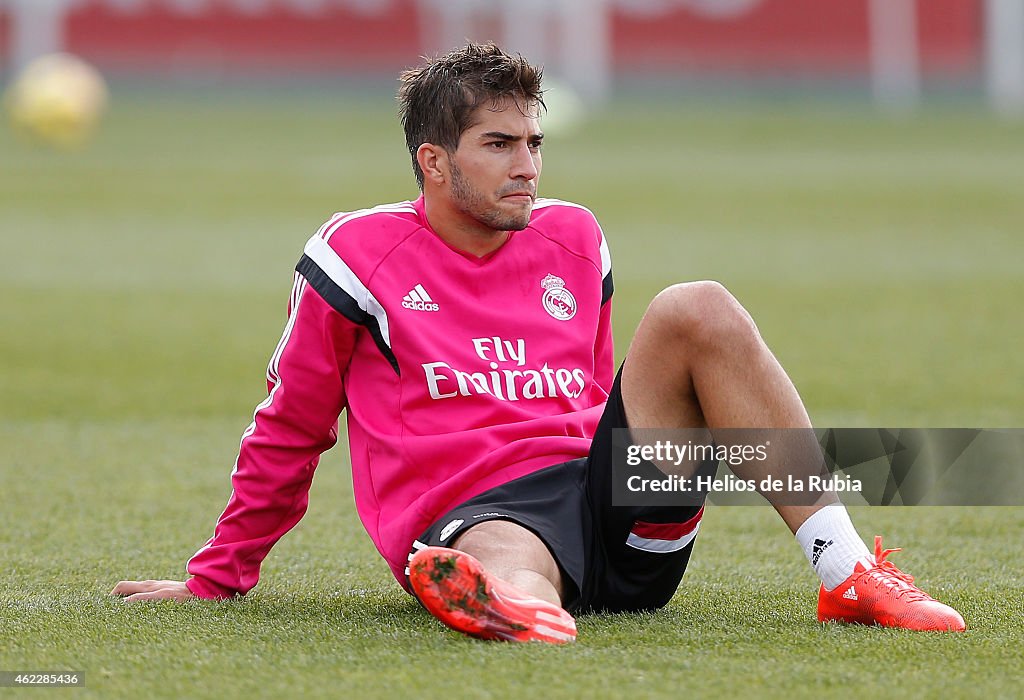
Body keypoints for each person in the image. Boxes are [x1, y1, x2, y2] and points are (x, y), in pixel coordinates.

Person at [111, 43, 965, 640]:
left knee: (696, 306)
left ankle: (847, 571)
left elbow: (601, 390)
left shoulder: (576, 237)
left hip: (619, 510)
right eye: (500, 145)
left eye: (534, 143)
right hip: (478, 507)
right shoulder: (354, 255)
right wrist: (218, 578)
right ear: (435, 162)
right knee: (507, 556)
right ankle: (501, 600)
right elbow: (292, 425)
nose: (528, 166)